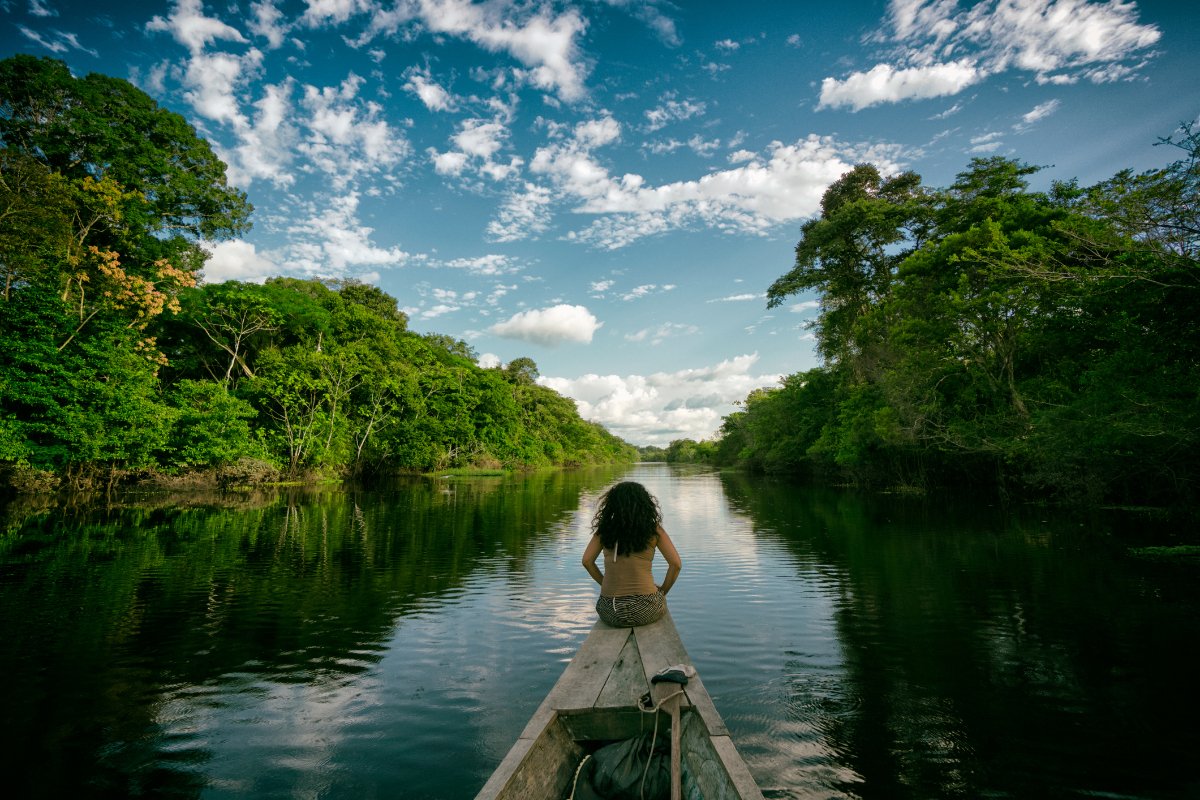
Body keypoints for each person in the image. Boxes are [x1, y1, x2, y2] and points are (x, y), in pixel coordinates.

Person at [582, 481, 681, 627]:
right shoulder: (654, 530)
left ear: (612, 505)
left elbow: (587, 561)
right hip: (646, 609)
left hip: (610, 610)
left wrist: (605, 584)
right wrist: (662, 592)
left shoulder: (604, 531)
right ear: (644, 503)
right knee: (660, 601)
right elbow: (676, 564)